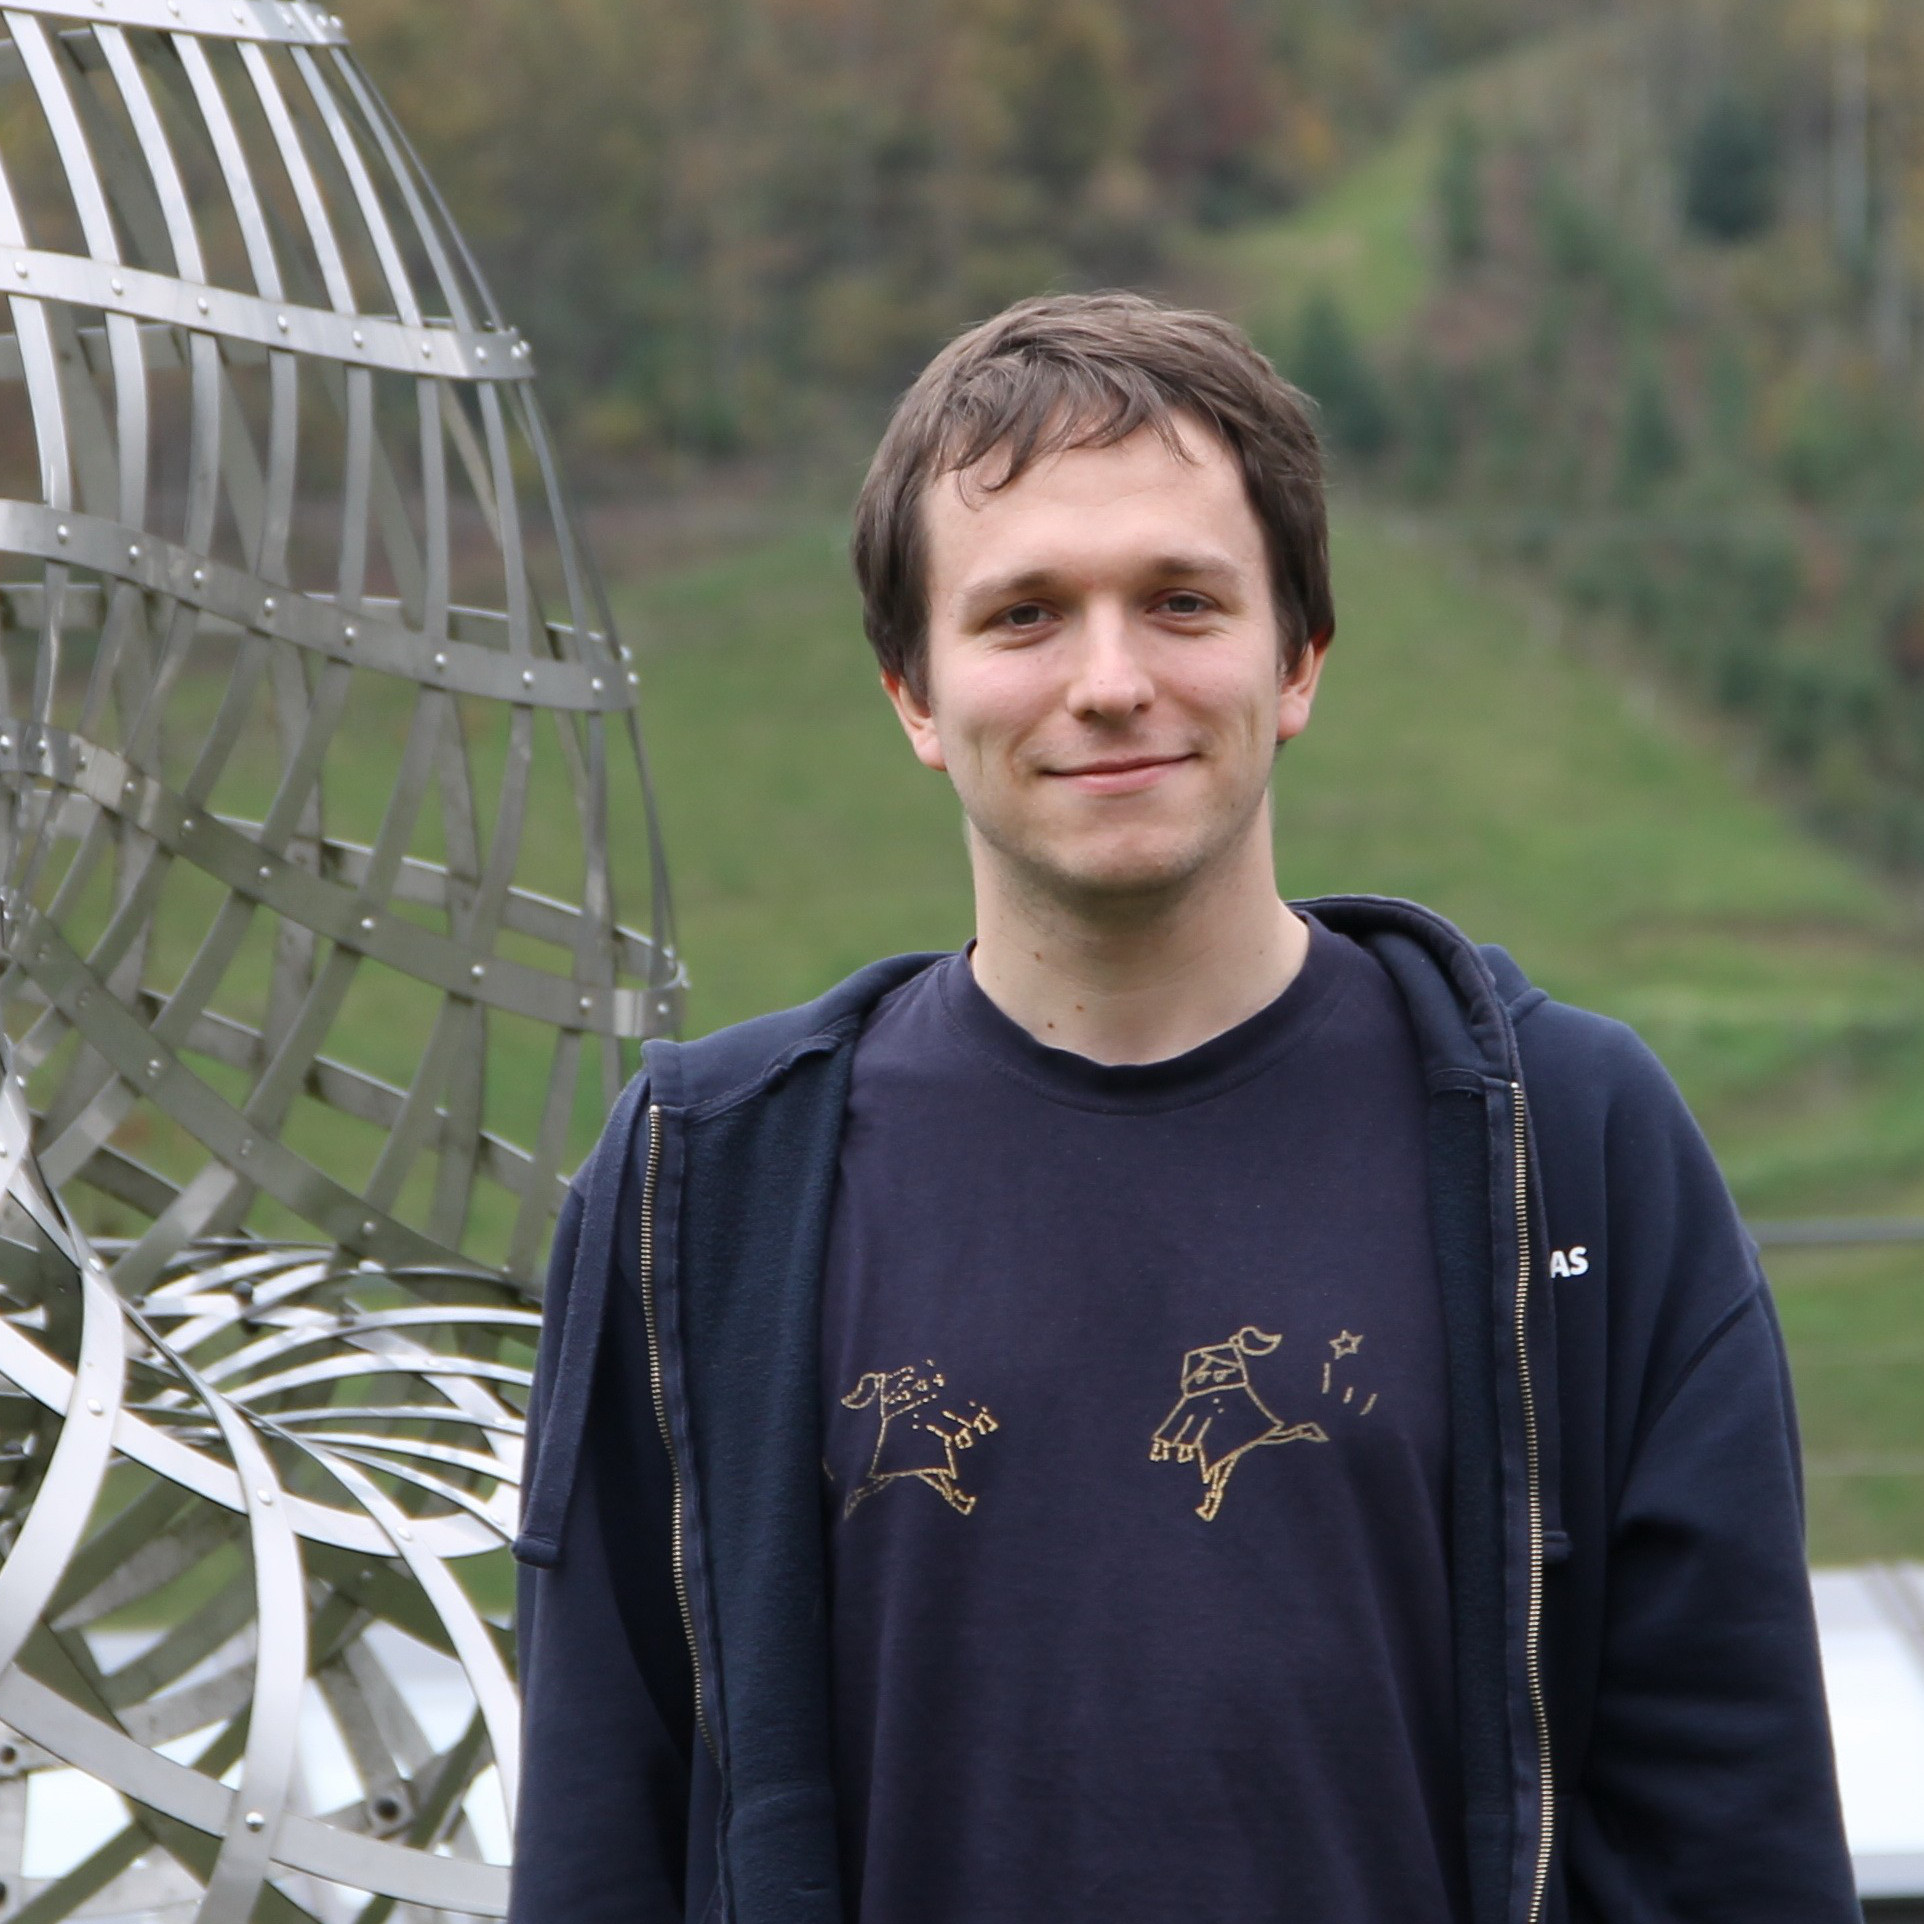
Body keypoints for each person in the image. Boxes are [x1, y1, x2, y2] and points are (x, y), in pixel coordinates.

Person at [508, 293, 1859, 1924]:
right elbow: (602, 1838)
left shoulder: (1570, 1151)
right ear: (913, 697)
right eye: (1022, 616)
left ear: (1295, 660)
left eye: (1181, 602)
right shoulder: (701, 1192)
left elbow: (1738, 1838)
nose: (1109, 680)